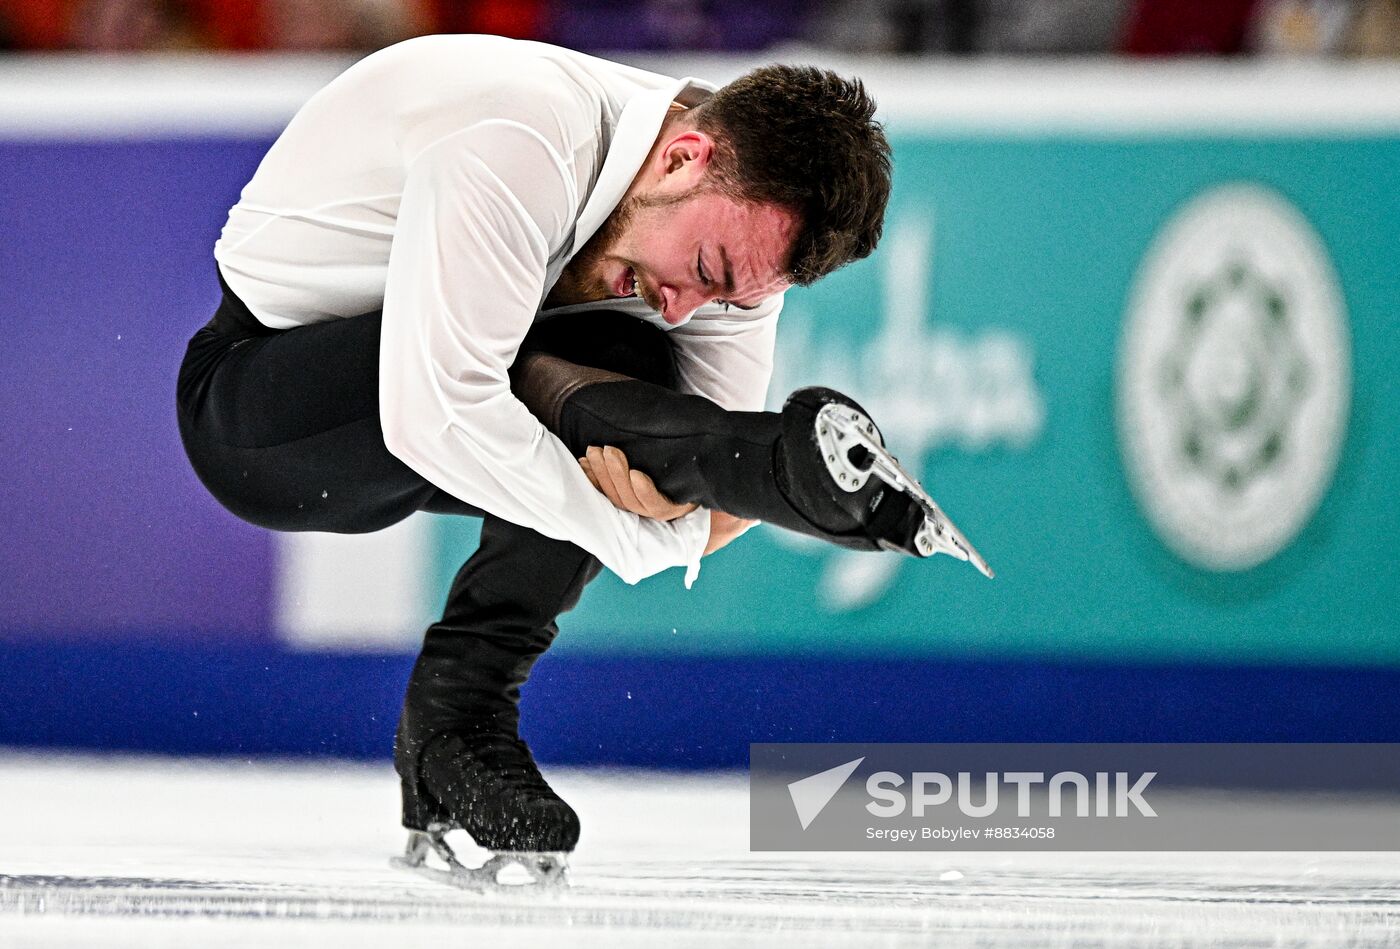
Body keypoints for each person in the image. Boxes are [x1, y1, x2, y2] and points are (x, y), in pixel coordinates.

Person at [176, 34, 988, 882]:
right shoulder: (525, 135)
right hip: (256, 406)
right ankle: (777, 470)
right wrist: (642, 537)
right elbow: (434, 410)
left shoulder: (727, 250)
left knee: (637, 365)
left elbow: (705, 493)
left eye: (726, 294)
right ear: (683, 154)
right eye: (704, 269)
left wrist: (728, 483)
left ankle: (458, 720)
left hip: (459, 386)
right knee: (573, 377)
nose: (688, 306)